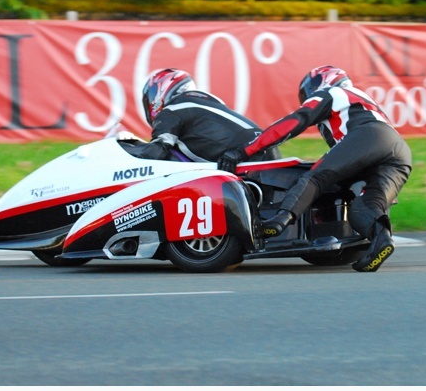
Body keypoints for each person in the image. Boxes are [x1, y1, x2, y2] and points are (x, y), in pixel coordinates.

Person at [217, 65, 412, 273]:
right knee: (365, 207)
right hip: (399, 152)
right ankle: (382, 240)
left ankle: (279, 221)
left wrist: (244, 151)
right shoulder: (361, 99)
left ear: (321, 81)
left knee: (315, 178)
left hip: (369, 137)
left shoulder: (331, 93)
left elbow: (293, 123)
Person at [138, 68, 281, 163]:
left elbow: (157, 152)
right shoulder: (204, 104)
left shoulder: (172, 110)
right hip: (263, 147)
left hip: (246, 157)